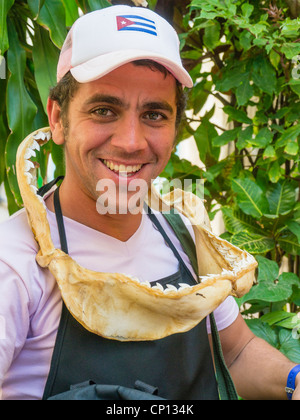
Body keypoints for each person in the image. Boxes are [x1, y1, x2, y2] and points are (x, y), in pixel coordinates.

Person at [0, 5, 299, 401]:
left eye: (154, 114)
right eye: (104, 110)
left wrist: (294, 381)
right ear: (58, 118)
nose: (131, 142)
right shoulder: (15, 263)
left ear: (175, 127)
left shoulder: (184, 237)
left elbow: (235, 351)